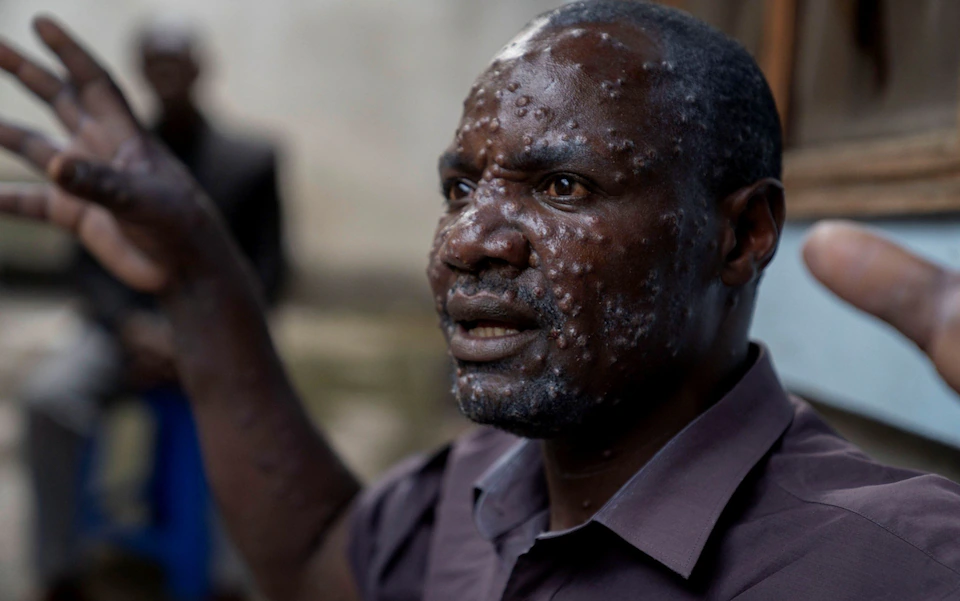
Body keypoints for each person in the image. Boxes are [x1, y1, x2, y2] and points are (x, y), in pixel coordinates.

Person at [0, 2, 958, 600]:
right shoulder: (484, 484)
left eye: (564, 189)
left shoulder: (890, 561)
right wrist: (199, 279)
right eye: (461, 188)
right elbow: (318, 559)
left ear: (741, 236)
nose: (466, 241)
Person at [15, 18, 285, 600]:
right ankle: (60, 568)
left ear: (198, 68)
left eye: (176, 62)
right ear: (140, 70)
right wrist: (131, 328)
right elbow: (86, 265)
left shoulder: (249, 161)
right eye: (154, 63)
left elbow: (269, 271)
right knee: (48, 399)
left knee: (252, 420)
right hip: (124, 333)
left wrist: (204, 334)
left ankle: (229, 577)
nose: (165, 75)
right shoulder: (112, 159)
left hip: (216, 339)